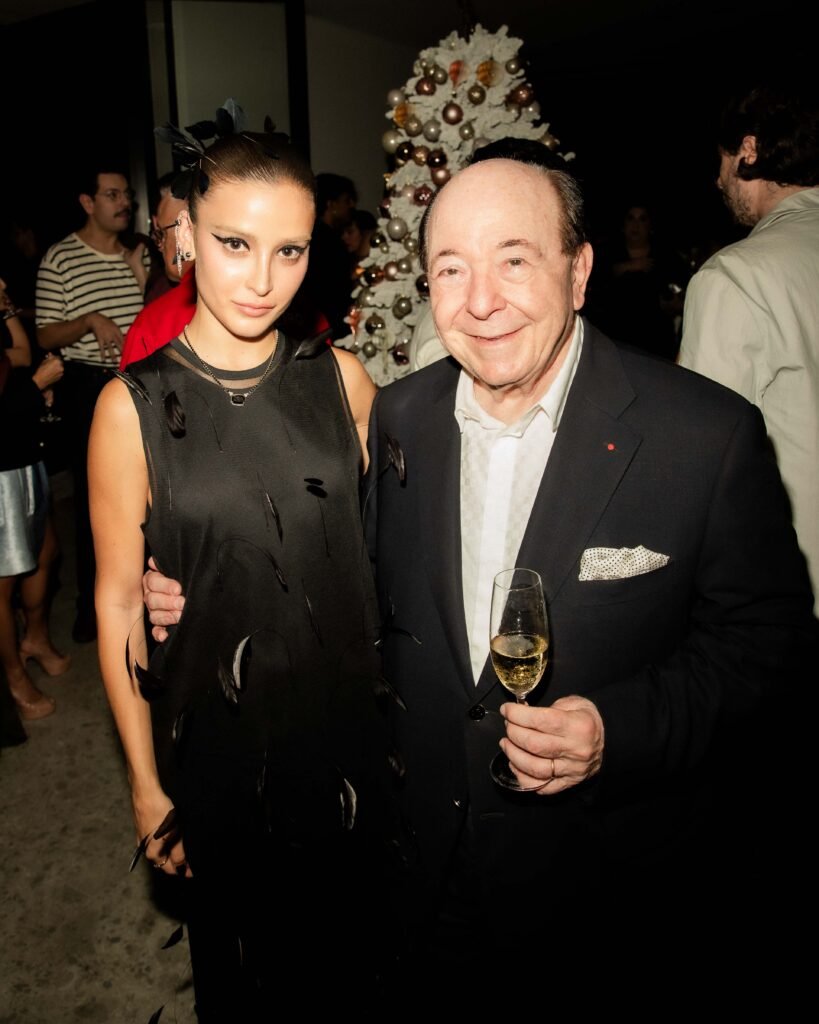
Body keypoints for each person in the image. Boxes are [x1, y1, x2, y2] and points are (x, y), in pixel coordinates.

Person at [144, 138, 816, 1005]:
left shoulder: (702, 436)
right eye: (451, 269)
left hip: (604, 887)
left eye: (514, 260)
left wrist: (617, 729)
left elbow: (769, 647)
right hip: (422, 871)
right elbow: (346, 574)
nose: (483, 301)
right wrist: (202, 588)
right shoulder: (399, 418)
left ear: (578, 271)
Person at [89, 128, 399, 1021]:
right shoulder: (131, 407)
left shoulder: (342, 380)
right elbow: (117, 600)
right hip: (220, 740)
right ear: (186, 235)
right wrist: (146, 786)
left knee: (358, 970)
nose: (262, 279)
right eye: (234, 243)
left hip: (347, 729)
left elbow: (394, 537)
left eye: (289, 251)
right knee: (248, 984)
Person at [679, 80, 819, 612]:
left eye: (721, 159)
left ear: (748, 150)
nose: (717, 179)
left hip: (795, 592)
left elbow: (699, 460)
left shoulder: (735, 276)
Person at [36, 164, 150, 642]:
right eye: (112, 194)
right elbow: (45, 334)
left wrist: (141, 278)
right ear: (87, 202)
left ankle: (148, 607)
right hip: (88, 386)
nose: (124, 203)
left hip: (139, 380)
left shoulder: (137, 253)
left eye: (126, 194)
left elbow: (151, 320)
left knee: (148, 495)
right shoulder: (60, 258)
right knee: (98, 503)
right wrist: (88, 320)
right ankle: (94, 611)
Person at [1, 283, 68, 723]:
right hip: (0, 470)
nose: (4, 286)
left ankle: (35, 638)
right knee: (3, 581)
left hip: (23, 454)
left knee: (46, 552)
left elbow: (20, 357)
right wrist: (34, 387)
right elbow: (23, 367)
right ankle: (13, 678)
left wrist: (31, 394)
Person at [586, 200, 689, 359]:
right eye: (630, 218)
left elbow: (683, 290)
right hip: (614, 343)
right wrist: (624, 268)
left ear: (650, 226)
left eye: (642, 219)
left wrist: (675, 303)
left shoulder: (666, 257)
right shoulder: (606, 254)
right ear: (623, 225)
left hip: (656, 343)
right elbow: (592, 291)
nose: (636, 225)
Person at [118, 177, 195, 369]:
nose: (160, 246)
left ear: (187, 232)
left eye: (161, 233)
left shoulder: (152, 324)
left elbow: (131, 389)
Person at [302, 172, 358, 340]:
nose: (352, 206)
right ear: (331, 204)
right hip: (330, 328)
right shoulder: (328, 241)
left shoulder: (315, 235)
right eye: (346, 200)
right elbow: (334, 292)